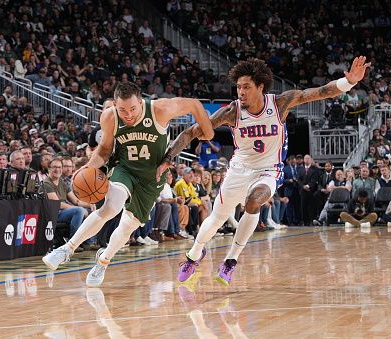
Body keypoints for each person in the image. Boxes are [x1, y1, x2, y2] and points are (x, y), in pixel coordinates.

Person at [157, 56, 370, 285]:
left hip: (269, 169)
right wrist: (168, 158)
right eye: (238, 87)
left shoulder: (279, 103)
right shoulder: (232, 112)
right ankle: (195, 253)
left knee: (253, 201)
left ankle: (230, 261)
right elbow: (190, 132)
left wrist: (348, 83)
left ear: (260, 86)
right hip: (239, 169)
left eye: (246, 87)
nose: (241, 92)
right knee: (217, 218)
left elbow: (320, 92)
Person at [42, 81, 213, 286]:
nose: (128, 114)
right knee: (110, 207)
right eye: (122, 110)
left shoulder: (160, 109)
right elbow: (105, 150)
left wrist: (208, 131)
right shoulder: (110, 116)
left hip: (152, 176)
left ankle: (103, 261)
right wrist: (88, 167)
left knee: (128, 225)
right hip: (124, 168)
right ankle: (66, 249)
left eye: (132, 108)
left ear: (141, 102)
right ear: (114, 105)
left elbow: (194, 104)